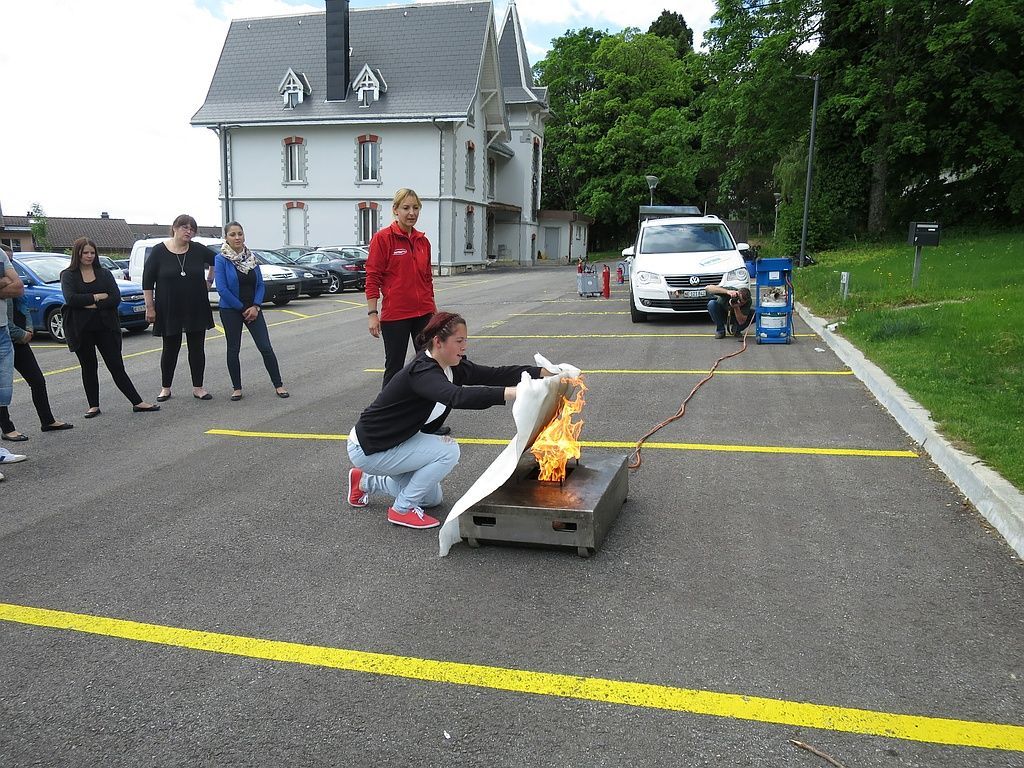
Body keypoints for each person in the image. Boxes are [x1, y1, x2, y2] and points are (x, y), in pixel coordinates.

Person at [346, 311, 573, 530]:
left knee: (432, 499)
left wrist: (544, 373)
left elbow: (495, 373)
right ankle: (402, 509)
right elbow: (456, 397)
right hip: (371, 446)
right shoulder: (422, 372)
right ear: (438, 342)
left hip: (398, 440)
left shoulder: (452, 367)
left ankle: (365, 481)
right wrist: (516, 393)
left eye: (465, 340)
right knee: (448, 450)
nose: (465, 346)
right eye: (459, 341)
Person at [61, 238, 160, 417]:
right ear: (78, 254)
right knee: (88, 367)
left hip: (106, 326)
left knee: (116, 365)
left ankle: (137, 402)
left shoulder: (104, 273)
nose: (89, 256)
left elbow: (114, 298)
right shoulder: (68, 275)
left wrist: (90, 303)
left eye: (92, 252)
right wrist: (98, 296)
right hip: (81, 328)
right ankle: (93, 406)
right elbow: (71, 299)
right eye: (85, 252)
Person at [365, 188, 437, 389]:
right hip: (396, 315)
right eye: (406, 208)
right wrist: (372, 314)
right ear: (395, 210)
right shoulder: (383, 238)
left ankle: (425, 409)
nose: (411, 213)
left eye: (415, 208)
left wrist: (433, 309)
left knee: (429, 365)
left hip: (424, 313)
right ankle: (387, 409)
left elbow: (427, 279)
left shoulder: (423, 241)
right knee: (394, 368)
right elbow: (372, 277)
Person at [142, 214, 217, 402]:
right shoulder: (159, 251)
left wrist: (209, 281)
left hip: (195, 306)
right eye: (185, 227)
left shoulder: (198, 249)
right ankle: (165, 388)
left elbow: (217, 260)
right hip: (169, 307)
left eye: (192, 229)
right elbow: (147, 282)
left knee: (197, 349)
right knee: (170, 349)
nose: (188, 231)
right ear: (174, 228)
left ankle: (198, 388)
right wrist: (150, 307)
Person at [214, 221, 288, 401]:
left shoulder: (251, 257)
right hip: (231, 310)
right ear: (226, 237)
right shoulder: (221, 259)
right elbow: (222, 289)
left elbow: (260, 284)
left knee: (265, 347)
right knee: (233, 349)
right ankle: (237, 388)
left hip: (253, 309)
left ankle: (278, 384)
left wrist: (255, 306)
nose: (237, 237)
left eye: (240, 233)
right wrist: (242, 308)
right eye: (232, 234)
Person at [1, 294, 73, 440]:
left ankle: (47, 421)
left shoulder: (13, 282)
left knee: (37, 380)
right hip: (5, 339)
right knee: (3, 387)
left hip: (20, 341)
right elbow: (4, 321)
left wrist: (29, 329)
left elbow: (23, 303)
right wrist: (21, 334)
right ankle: (7, 429)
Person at [0, 246, 28, 479]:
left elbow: (18, 287)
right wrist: (3, 283)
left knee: (2, 394)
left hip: (1, 331)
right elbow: (10, 284)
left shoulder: (0, 254)